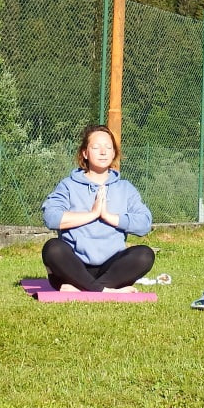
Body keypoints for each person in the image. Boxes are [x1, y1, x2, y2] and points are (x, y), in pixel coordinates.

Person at [41, 124, 155, 292]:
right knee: (53, 248)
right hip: (74, 266)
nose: (103, 152)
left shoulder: (125, 188)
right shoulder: (68, 185)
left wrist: (108, 216)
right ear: (85, 153)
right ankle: (105, 290)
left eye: (108, 147)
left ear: (114, 153)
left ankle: (85, 288)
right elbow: (51, 217)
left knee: (145, 255)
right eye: (96, 147)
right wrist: (93, 214)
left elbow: (144, 224)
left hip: (111, 268)